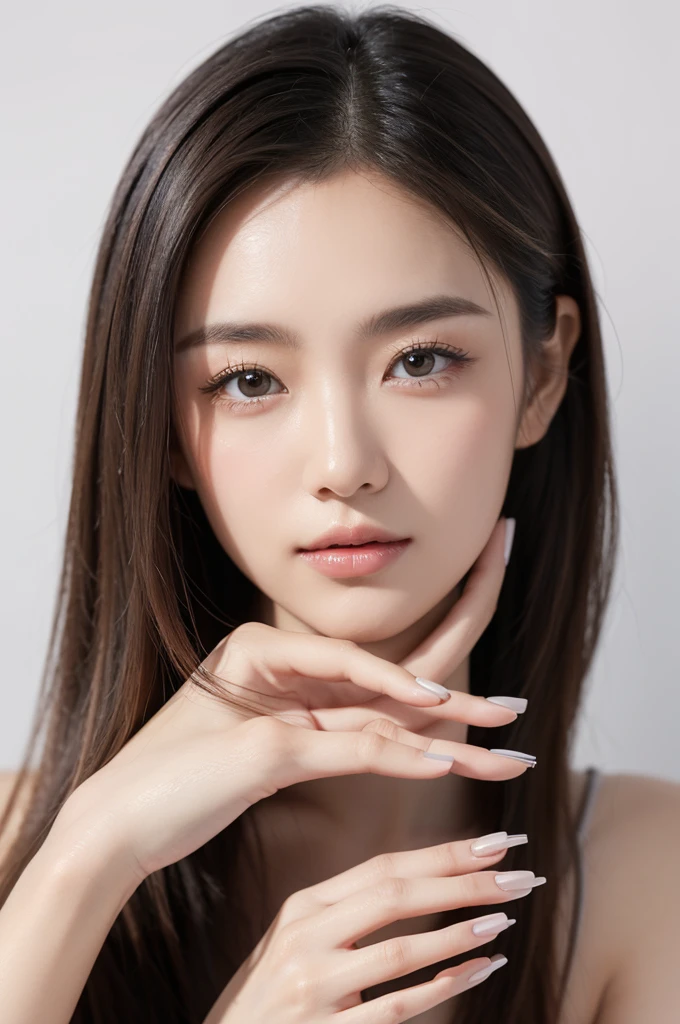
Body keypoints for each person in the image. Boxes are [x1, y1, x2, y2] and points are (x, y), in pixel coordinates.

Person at [0, 5, 678, 1023]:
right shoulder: (29, 842)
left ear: (542, 374)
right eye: (246, 379)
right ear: (163, 427)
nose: (342, 465)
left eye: (419, 360)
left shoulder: (641, 875)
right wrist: (90, 854)